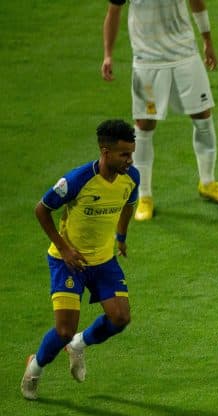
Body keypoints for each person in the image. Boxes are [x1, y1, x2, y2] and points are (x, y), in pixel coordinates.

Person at [21, 120, 140, 400]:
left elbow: (129, 204)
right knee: (64, 330)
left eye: (131, 153)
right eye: (124, 154)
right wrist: (64, 249)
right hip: (68, 262)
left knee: (120, 318)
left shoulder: (131, 177)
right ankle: (34, 367)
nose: (130, 160)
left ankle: (78, 345)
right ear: (105, 152)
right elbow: (42, 210)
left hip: (103, 261)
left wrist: (121, 237)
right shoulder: (77, 179)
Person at [101, 0, 218, 221]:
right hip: (148, 61)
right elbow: (113, 12)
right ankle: (144, 196)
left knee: (203, 116)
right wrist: (108, 54)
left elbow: (196, 2)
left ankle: (208, 182)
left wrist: (207, 40)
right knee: (144, 126)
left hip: (185, 55)